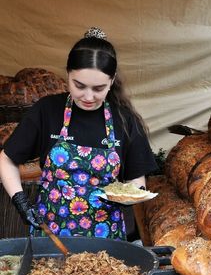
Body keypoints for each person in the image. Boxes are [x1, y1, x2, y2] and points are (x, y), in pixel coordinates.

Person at [0, 27, 157, 240]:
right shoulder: (47, 111)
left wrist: (126, 196)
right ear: (68, 74)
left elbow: (136, 179)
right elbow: (6, 159)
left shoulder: (125, 120)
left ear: (111, 81)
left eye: (98, 88)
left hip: (106, 239)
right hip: (50, 235)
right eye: (79, 85)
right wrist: (20, 200)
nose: (88, 96)